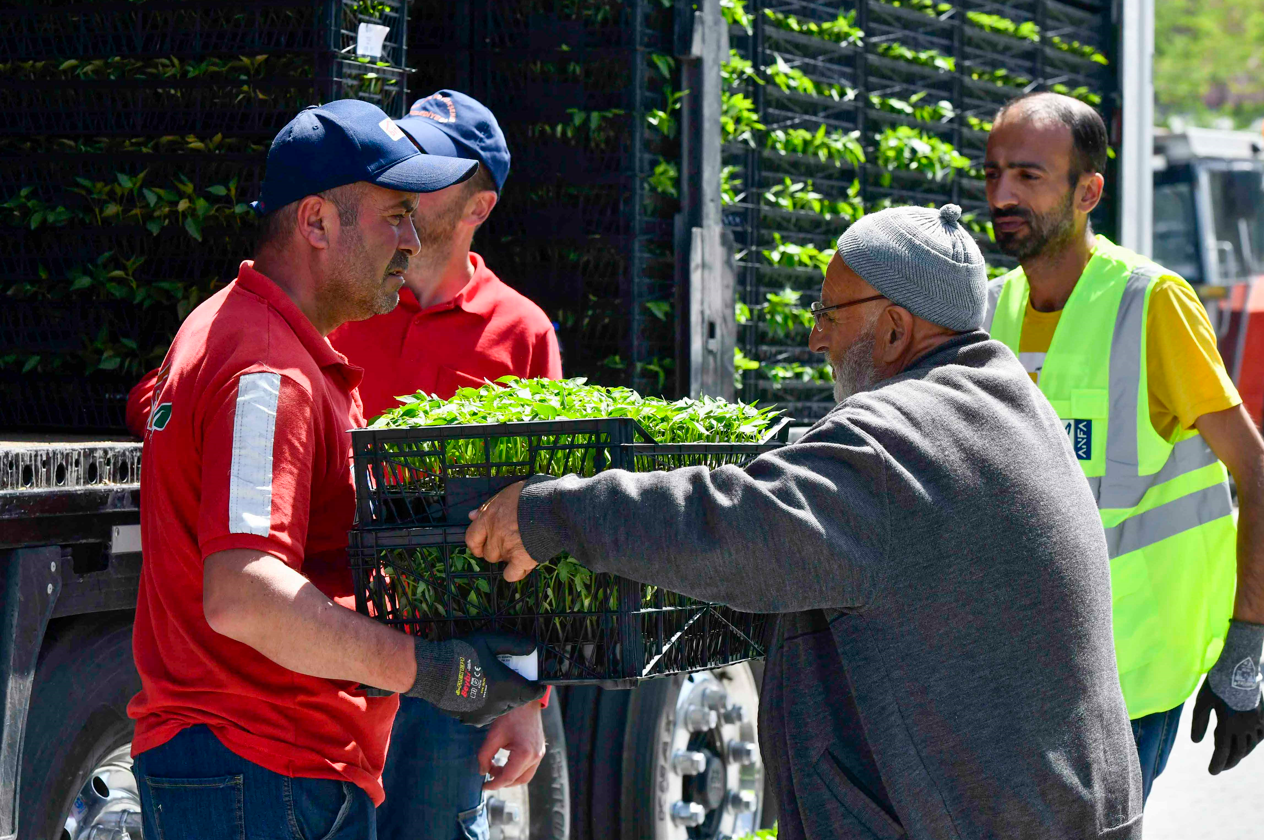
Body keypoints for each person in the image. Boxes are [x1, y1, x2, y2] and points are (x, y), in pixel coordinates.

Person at [467, 204, 1144, 838]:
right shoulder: (1005, 404)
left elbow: (731, 529)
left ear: (894, 328)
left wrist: (551, 511)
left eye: (828, 312)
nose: (814, 335)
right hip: (1063, 809)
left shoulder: (894, 442)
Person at [127, 99, 543, 840]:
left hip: (261, 771)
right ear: (315, 223)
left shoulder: (251, 341)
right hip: (263, 770)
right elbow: (246, 596)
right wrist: (432, 673)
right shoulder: (267, 371)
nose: (411, 243)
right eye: (393, 216)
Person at [981, 91, 1264, 800]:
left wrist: (1240, 659)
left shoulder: (1152, 304)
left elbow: (1259, 481)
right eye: (992, 173)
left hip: (1131, 675)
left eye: (1028, 176)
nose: (1001, 194)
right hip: (1018, 676)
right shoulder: (989, 309)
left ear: (1088, 191)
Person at [328, 90, 562, 840]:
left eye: (431, 172)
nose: (407, 178)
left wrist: (526, 698)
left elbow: (541, 526)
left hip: (448, 668)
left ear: (478, 207)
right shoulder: (342, 299)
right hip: (328, 644)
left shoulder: (521, 333)